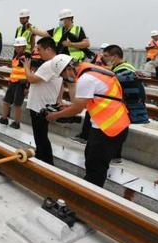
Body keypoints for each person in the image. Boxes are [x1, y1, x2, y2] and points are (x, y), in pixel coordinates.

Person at [47, 55, 131, 187]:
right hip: (112, 124)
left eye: (63, 76)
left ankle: (91, 197)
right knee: (93, 161)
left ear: (68, 68)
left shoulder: (86, 79)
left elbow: (77, 108)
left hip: (107, 128)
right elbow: (94, 99)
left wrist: (55, 115)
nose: (66, 79)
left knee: (96, 167)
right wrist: (69, 107)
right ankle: (91, 190)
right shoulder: (92, 71)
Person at [102, 44, 149, 164]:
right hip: (125, 104)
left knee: (119, 129)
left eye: (106, 56)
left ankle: (115, 156)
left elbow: (114, 82)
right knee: (119, 129)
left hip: (126, 105)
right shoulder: (120, 67)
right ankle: (114, 155)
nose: (104, 58)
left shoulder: (124, 69)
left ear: (115, 56)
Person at [23, 38, 63, 164]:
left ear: (49, 49)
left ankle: (46, 163)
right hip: (45, 104)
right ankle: (43, 157)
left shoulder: (49, 64)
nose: (37, 52)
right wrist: (59, 99)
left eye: (39, 49)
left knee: (41, 137)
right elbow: (61, 84)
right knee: (42, 136)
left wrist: (26, 67)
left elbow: (31, 79)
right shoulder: (59, 63)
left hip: (38, 107)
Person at [0, 36, 31, 129]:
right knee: (6, 101)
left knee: (17, 104)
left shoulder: (26, 57)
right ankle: (4, 119)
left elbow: (30, 72)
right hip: (13, 82)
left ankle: (16, 123)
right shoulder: (16, 56)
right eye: (16, 47)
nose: (17, 48)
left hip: (21, 84)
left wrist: (27, 87)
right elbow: (15, 70)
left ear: (24, 47)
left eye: (19, 47)